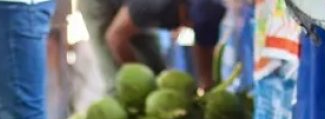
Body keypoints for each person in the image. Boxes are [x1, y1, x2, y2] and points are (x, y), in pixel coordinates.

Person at [79, 0, 227, 88]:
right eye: (191, 23)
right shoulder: (158, 5)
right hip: (99, 4)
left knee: (157, 72)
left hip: (132, 7)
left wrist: (207, 88)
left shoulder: (209, 9)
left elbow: (205, 69)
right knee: (120, 84)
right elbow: (115, 37)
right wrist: (138, 79)